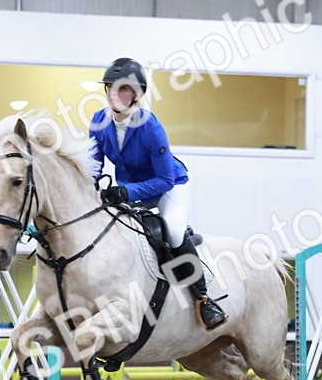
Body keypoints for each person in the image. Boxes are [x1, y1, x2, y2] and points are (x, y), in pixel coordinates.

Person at [88, 57, 227, 331]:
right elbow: (94, 163)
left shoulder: (151, 128)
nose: (114, 94)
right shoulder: (99, 120)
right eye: (110, 87)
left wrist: (125, 191)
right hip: (129, 191)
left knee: (173, 232)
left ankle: (204, 299)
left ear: (137, 94)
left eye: (122, 89)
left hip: (170, 186)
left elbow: (163, 179)